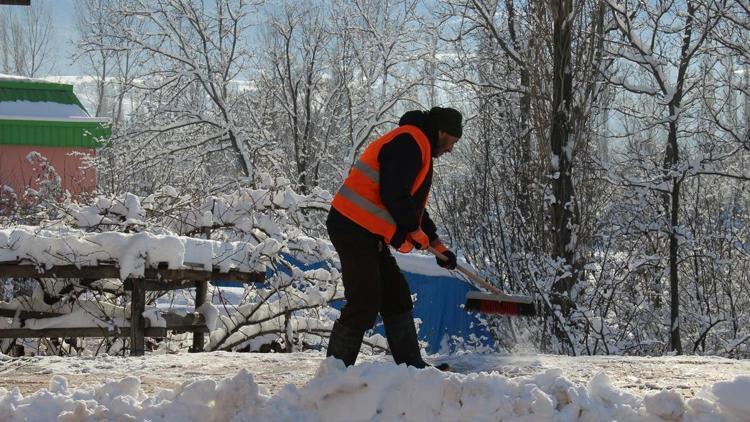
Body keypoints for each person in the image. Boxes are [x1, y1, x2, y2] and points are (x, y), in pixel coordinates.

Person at [326, 107, 462, 368]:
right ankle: (333, 376)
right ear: (442, 132)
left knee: (396, 296)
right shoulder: (409, 142)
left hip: (366, 230)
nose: (451, 149)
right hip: (352, 226)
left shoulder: (417, 144)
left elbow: (411, 204)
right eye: (452, 142)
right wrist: (411, 231)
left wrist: (435, 243)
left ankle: (412, 369)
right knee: (364, 302)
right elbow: (395, 195)